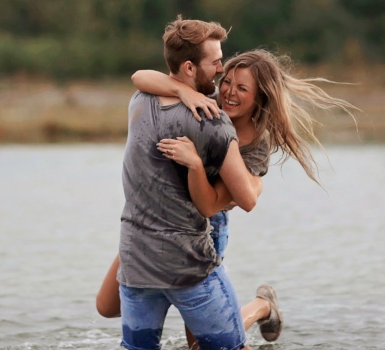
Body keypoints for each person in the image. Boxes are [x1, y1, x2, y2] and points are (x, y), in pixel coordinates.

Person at [99, 47, 359, 349]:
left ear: (260, 96)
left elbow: (225, 201)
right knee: (107, 306)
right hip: (156, 220)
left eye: (242, 88)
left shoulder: (255, 144)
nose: (229, 93)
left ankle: (262, 306)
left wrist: (241, 182)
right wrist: (183, 91)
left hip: (205, 227)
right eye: (227, 82)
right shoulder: (207, 102)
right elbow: (140, 77)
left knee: (200, 345)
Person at [112, 16, 263, 350]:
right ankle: (263, 306)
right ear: (190, 68)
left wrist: (180, 89)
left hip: (136, 263)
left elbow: (141, 76)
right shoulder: (213, 122)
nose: (221, 68)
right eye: (215, 62)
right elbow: (247, 199)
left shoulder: (139, 99)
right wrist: (256, 183)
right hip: (187, 265)